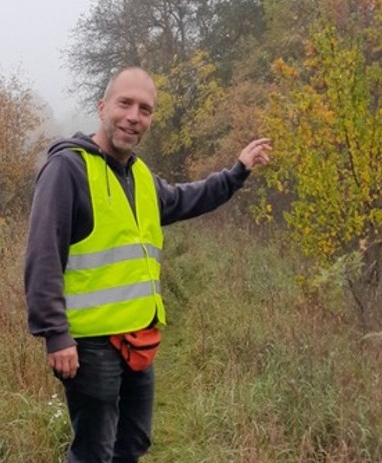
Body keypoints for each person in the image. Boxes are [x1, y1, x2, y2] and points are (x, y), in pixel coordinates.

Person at [24, 67, 271, 463]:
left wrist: (236, 172)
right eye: (125, 104)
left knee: (134, 443)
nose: (134, 116)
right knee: (94, 451)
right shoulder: (67, 169)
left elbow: (187, 199)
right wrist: (55, 334)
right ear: (102, 106)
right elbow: (43, 255)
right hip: (89, 345)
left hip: (139, 338)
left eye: (145, 109)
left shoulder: (140, 175)